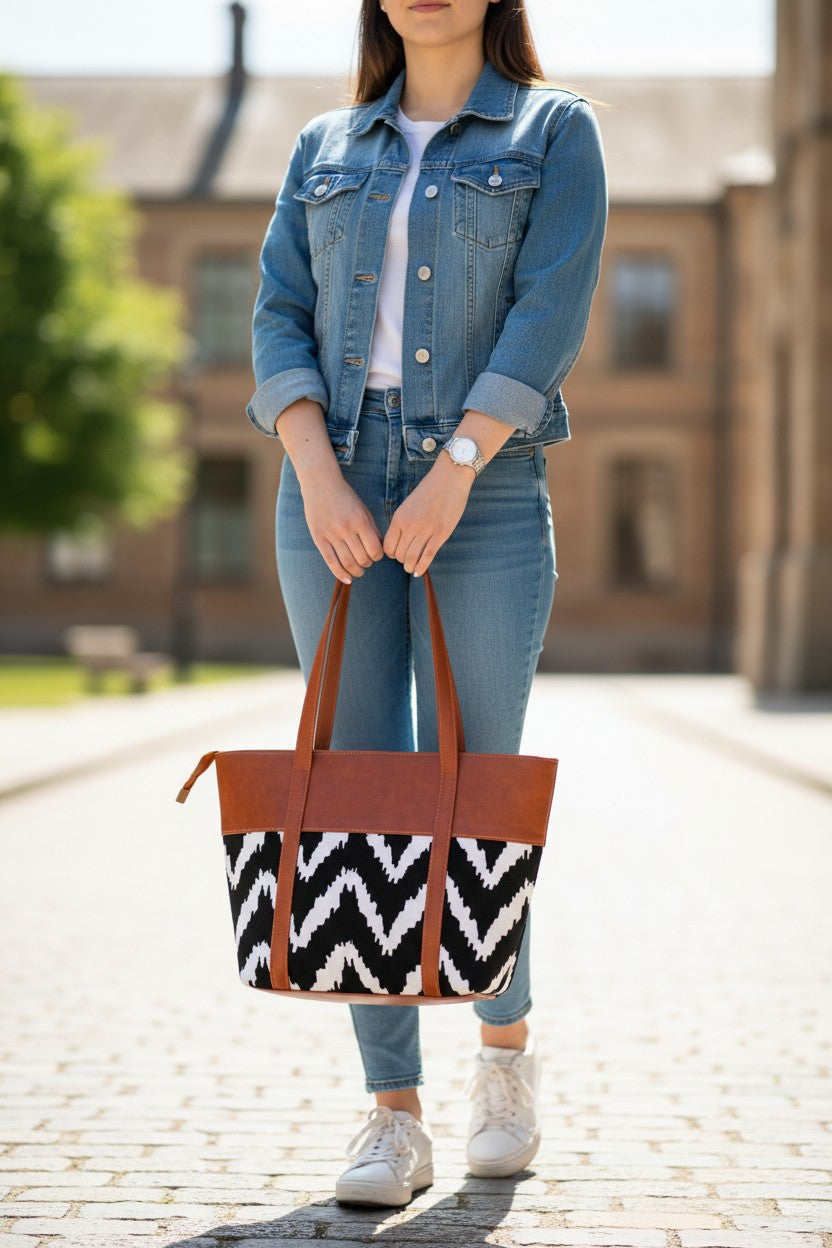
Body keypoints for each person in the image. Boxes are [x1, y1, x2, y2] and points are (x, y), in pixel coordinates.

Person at [245, 0, 607, 1209]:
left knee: (477, 787)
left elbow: (547, 309)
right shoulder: (324, 146)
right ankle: (391, 1116)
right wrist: (315, 472)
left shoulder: (555, 133)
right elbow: (275, 316)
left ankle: (503, 1061)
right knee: (359, 790)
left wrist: (457, 462)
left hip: (488, 490)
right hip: (333, 485)